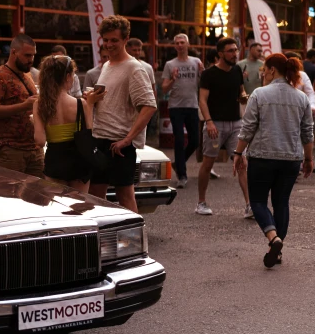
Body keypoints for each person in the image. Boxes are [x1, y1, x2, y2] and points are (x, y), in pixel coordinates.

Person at [232, 53, 314, 267]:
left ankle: (273, 239)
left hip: (262, 157)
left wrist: (238, 153)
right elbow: (307, 132)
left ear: (271, 70)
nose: (263, 74)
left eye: (264, 70)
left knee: (258, 201)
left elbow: (248, 127)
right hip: (291, 158)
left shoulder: (259, 94)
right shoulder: (301, 97)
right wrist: (308, 159)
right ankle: (276, 251)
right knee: (281, 203)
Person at [88, 16, 157, 213]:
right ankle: (102, 238)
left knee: (125, 195)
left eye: (114, 40)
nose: (109, 44)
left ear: (126, 39)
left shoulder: (134, 68)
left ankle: (135, 240)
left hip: (119, 144)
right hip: (100, 139)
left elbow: (149, 106)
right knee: (95, 193)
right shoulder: (108, 65)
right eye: (106, 40)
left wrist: (127, 140)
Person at [33, 55, 105, 192]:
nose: (73, 78)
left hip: (55, 161)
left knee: (57, 208)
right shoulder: (80, 104)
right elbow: (89, 130)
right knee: (79, 206)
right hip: (79, 161)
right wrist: (90, 105)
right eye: (73, 74)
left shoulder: (40, 104)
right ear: (67, 76)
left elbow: (40, 141)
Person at [196, 37, 251, 217]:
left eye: (236, 50)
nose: (235, 54)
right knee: (208, 162)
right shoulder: (209, 74)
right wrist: (209, 122)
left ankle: (249, 205)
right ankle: (201, 202)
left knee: (242, 161)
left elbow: (240, 91)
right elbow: (202, 100)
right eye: (230, 51)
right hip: (215, 124)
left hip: (236, 123)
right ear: (220, 54)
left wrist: (243, 96)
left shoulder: (236, 70)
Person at [0, 34, 44, 177]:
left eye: (33, 56)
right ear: (14, 52)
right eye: (27, 55)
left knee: (38, 196)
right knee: (10, 195)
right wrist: (23, 106)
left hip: (34, 149)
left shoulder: (27, 75)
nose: (31, 60)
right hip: (10, 150)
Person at [161, 33, 204, 189]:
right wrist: (173, 79)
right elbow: (164, 87)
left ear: (188, 44)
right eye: (177, 43)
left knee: (195, 141)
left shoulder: (196, 62)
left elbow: (202, 83)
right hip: (175, 106)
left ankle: (178, 164)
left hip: (192, 105)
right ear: (175, 46)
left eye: (182, 42)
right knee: (179, 140)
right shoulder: (170, 64)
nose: (180, 45)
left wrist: (202, 72)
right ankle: (182, 175)